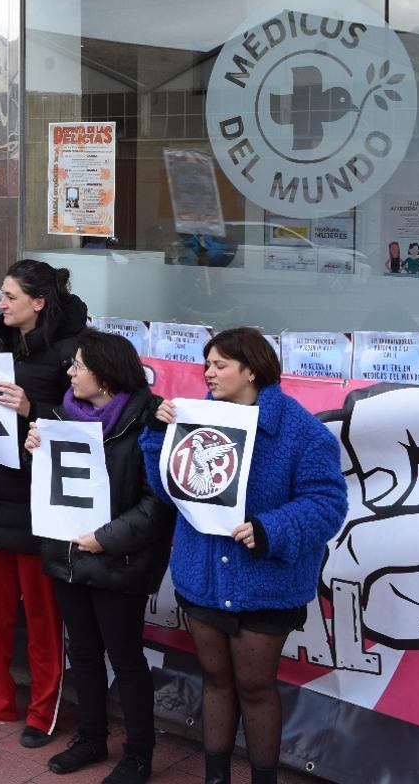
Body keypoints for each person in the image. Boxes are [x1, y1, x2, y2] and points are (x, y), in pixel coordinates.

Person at [141, 328, 347, 784]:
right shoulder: (195, 419)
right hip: (204, 577)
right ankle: (216, 777)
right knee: (215, 682)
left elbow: (328, 503)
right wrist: (158, 435)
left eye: (220, 365)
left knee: (255, 688)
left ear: (251, 369)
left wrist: (271, 529)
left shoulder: (302, 432)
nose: (208, 374)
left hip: (266, 585)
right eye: (207, 364)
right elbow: (167, 491)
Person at [0, 259, 87, 748]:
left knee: (45, 618)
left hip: (40, 505)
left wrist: (34, 410)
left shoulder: (73, 351)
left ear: (38, 303)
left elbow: (90, 422)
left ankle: (43, 712)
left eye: (9, 297)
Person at [24, 330, 173, 784]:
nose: (68, 373)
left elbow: (157, 501)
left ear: (105, 375)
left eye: (78, 366)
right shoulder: (65, 415)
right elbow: (57, 488)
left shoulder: (151, 419)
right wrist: (34, 454)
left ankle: (139, 754)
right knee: (83, 654)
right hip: (69, 555)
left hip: (118, 561)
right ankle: (91, 737)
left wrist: (105, 539)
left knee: (126, 660)